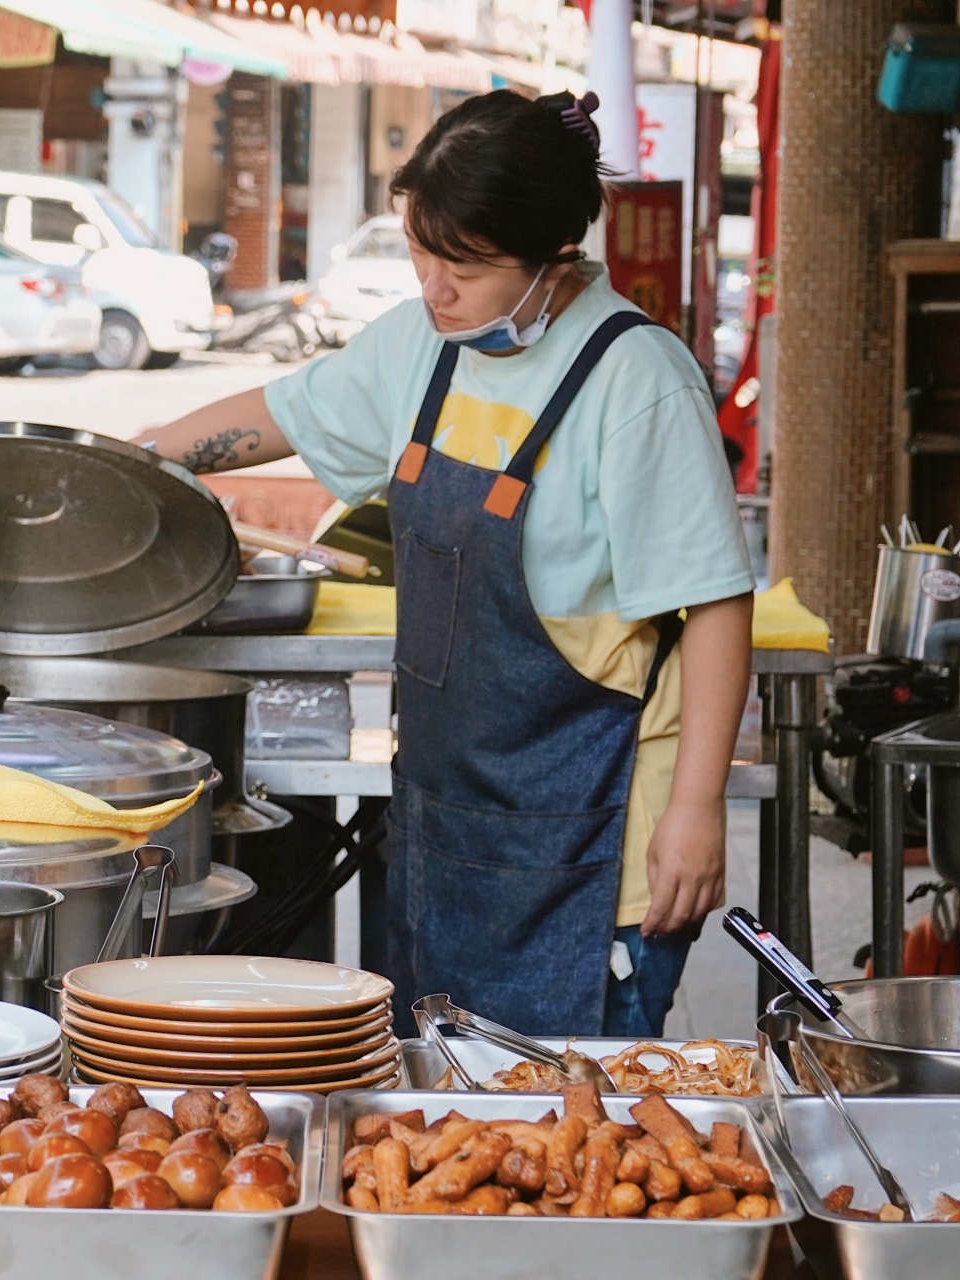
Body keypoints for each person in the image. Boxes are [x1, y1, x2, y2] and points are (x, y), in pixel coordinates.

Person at [136, 90, 754, 1037]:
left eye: (463, 265)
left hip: (598, 847)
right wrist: (130, 461)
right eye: (423, 252)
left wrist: (699, 811)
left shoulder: (636, 380)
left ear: (553, 255)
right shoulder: (424, 347)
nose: (433, 287)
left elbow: (713, 607)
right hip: (446, 826)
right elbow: (281, 415)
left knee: (575, 1150)